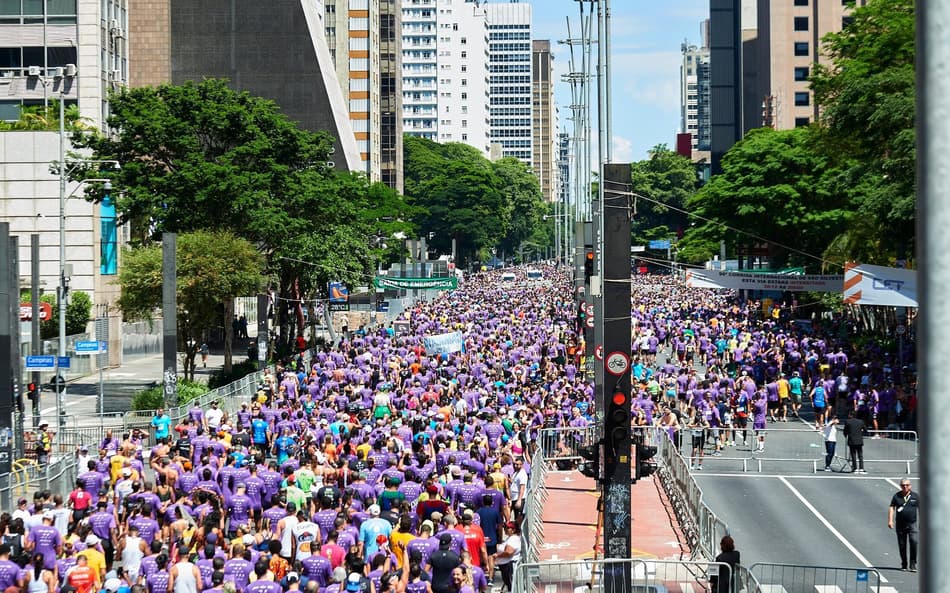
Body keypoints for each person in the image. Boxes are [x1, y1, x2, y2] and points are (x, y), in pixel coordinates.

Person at [888, 479, 919, 572]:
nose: (905, 487)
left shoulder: (915, 496)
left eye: (907, 485)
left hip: (912, 523)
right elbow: (892, 507)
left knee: (914, 542)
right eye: (903, 485)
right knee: (902, 544)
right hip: (900, 523)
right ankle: (904, 563)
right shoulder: (897, 496)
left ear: (910, 486)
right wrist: (890, 520)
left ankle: (913, 563)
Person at [494, 522, 521, 593]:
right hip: (505, 565)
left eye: (508, 528)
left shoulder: (513, 539)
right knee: (509, 585)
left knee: (511, 585)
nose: (505, 529)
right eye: (505, 528)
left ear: (513, 530)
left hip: (509, 566)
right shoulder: (510, 538)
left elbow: (509, 552)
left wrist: (497, 555)